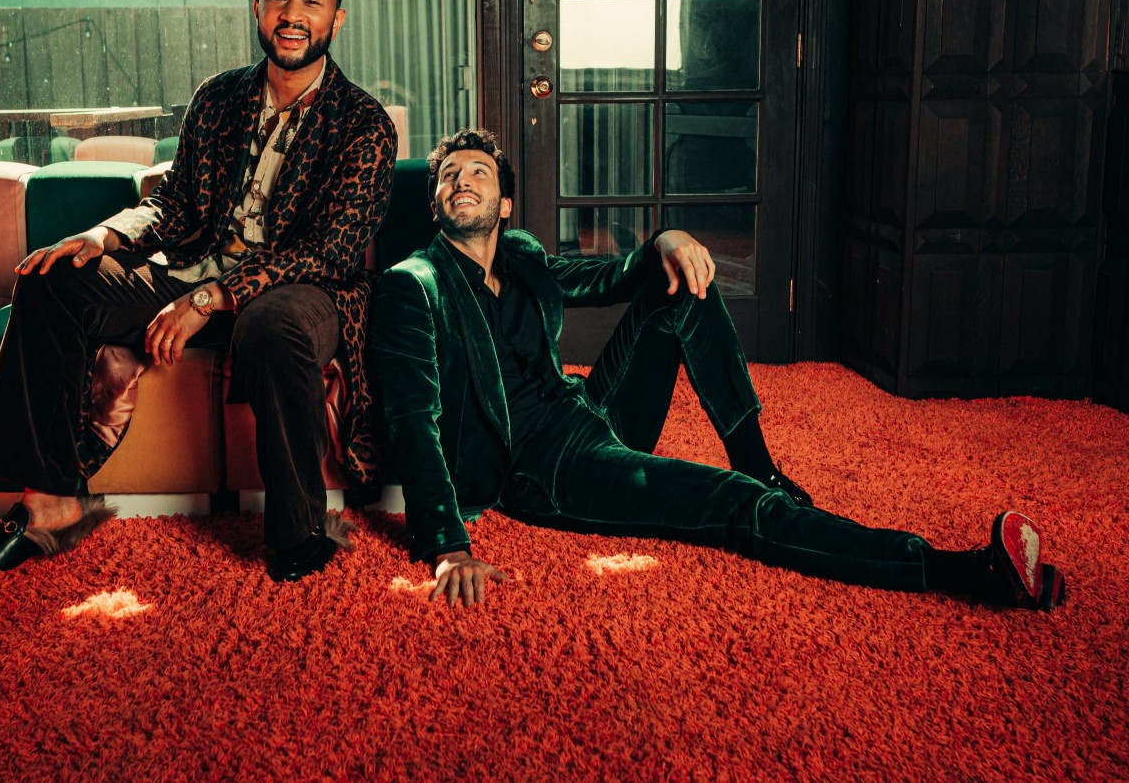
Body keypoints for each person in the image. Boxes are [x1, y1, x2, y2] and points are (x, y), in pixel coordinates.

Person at [367, 128, 1066, 610]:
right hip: (543, 467)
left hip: (587, 409)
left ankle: (761, 466)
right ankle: (964, 570)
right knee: (728, 505)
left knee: (684, 289)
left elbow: (611, 278)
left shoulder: (521, 253)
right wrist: (447, 545)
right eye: (449, 176)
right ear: (435, 203)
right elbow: (413, 419)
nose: (462, 181)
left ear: (504, 203)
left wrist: (667, 237)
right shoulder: (413, 283)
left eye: (478, 173)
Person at [0, 0, 397, 584]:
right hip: (190, 269)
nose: (292, 13)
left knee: (275, 326)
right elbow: (174, 203)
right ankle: (50, 504)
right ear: (257, 9)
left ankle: (300, 532)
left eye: (311, 1)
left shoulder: (364, 123)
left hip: (301, 291)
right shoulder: (217, 98)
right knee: (50, 280)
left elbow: (331, 248)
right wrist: (104, 235)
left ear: (337, 19)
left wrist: (212, 299)